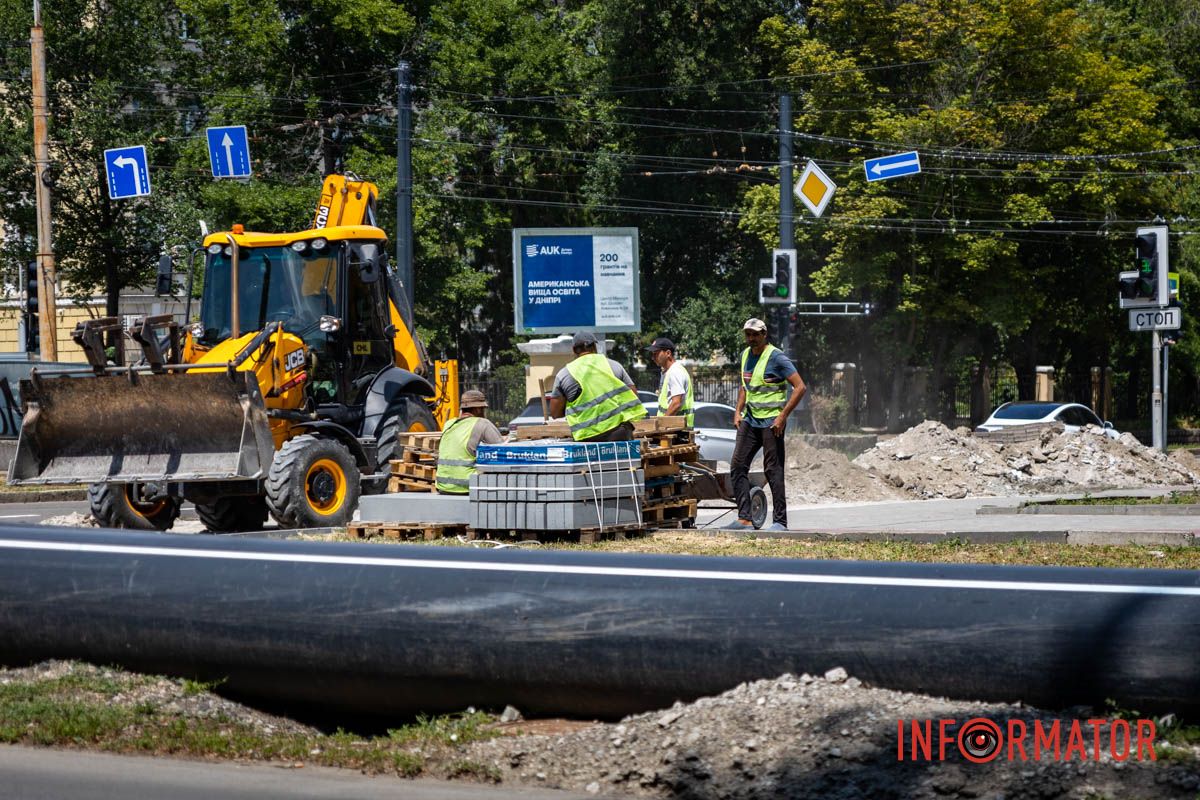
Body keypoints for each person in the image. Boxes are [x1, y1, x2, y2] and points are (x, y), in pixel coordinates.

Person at [727, 317, 806, 531]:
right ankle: (744, 518)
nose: (751, 338)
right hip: (750, 420)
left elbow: (800, 387)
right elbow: (746, 386)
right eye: (748, 334)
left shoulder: (777, 357)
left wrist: (782, 417)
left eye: (755, 334)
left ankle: (780, 522)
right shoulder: (745, 355)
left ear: (764, 335)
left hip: (772, 423)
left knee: (773, 470)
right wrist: (738, 412)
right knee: (737, 466)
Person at [548, 331, 646, 442]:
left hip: (587, 438)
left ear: (574, 350)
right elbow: (633, 395)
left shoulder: (565, 374)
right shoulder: (614, 366)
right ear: (594, 346)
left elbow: (555, 413)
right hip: (618, 433)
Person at [435, 389, 503, 494]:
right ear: (477, 409)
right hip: (467, 487)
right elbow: (502, 451)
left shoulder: (448, 424)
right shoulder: (482, 423)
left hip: (443, 486)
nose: (484, 412)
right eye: (482, 409)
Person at [647, 337, 694, 427]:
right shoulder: (668, 372)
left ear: (668, 353)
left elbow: (676, 403)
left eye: (656, 354)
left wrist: (661, 425)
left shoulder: (675, 372)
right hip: (673, 429)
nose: (653, 358)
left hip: (676, 430)